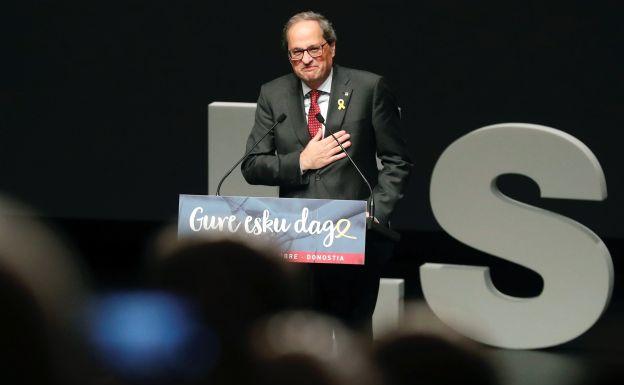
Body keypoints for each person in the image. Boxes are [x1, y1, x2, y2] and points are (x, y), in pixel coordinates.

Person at [241, 11, 412, 337]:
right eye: (296, 52)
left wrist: (373, 215)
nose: (306, 59)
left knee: (353, 338)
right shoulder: (273, 93)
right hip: (294, 241)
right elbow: (252, 165)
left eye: (314, 49)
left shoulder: (369, 88)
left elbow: (397, 161)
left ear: (331, 47)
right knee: (295, 337)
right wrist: (302, 162)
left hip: (352, 236)